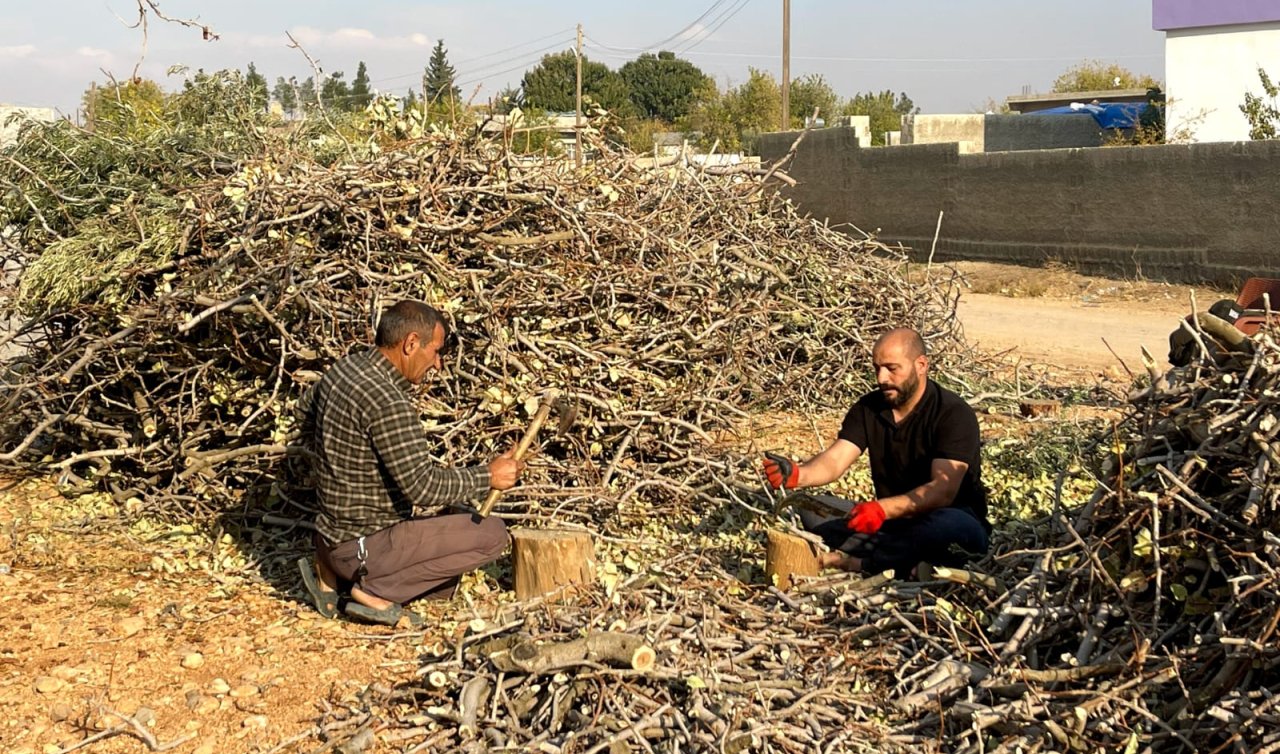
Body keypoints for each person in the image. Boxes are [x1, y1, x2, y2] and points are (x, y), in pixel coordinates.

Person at [295, 300, 524, 625]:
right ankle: (373, 592)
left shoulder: (346, 369)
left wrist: (338, 474)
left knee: (457, 518)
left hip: (329, 535)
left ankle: (330, 570)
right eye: (436, 351)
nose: (438, 364)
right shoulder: (388, 401)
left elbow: (303, 411)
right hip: (364, 547)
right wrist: (488, 476)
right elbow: (423, 488)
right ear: (411, 343)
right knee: (492, 534)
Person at [762, 327, 990, 578]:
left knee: (947, 527)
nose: (881, 378)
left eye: (892, 369)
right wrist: (797, 475)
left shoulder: (953, 414)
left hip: (950, 521)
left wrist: (882, 509)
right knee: (812, 509)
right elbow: (836, 459)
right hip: (891, 527)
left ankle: (859, 564)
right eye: (877, 368)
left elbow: (942, 491)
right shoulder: (868, 408)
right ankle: (905, 563)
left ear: (921, 365)